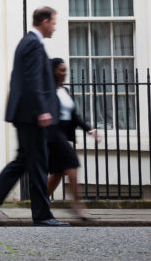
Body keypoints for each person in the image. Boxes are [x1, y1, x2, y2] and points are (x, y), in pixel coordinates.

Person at [0, 6, 69, 227]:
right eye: (53, 23)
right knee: (37, 165)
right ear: (44, 22)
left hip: (25, 114)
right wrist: (41, 110)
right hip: (31, 115)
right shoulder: (33, 44)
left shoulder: (29, 43)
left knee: (25, 162)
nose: (54, 27)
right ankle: (42, 215)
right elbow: (32, 80)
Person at [47, 57, 99, 221]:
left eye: (65, 70)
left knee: (57, 173)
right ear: (54, 71)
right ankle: (78, 206)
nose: (65, 73)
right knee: (72, 165)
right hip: (53, 134)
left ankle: (40, 201)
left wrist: (89, 129)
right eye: (62, 70)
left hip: (64, 135)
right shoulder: (47, 91)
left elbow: (74, 115)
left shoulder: (65, 91)